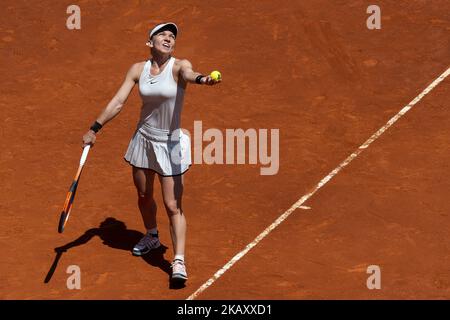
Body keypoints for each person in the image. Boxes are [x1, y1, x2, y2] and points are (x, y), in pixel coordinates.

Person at [82, 22, 221, 283]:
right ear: (150, 42)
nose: (169, 38)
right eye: (163, 35)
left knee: (172, 205)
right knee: (144, 195)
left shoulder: (179, 66)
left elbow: (191, 74)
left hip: (170, 145)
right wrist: (95, 128)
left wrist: (204, 79)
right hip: (144, 141)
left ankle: (178, 261)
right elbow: (118, 102)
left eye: (172, 36)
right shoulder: (138, 69)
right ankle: (152, 236)